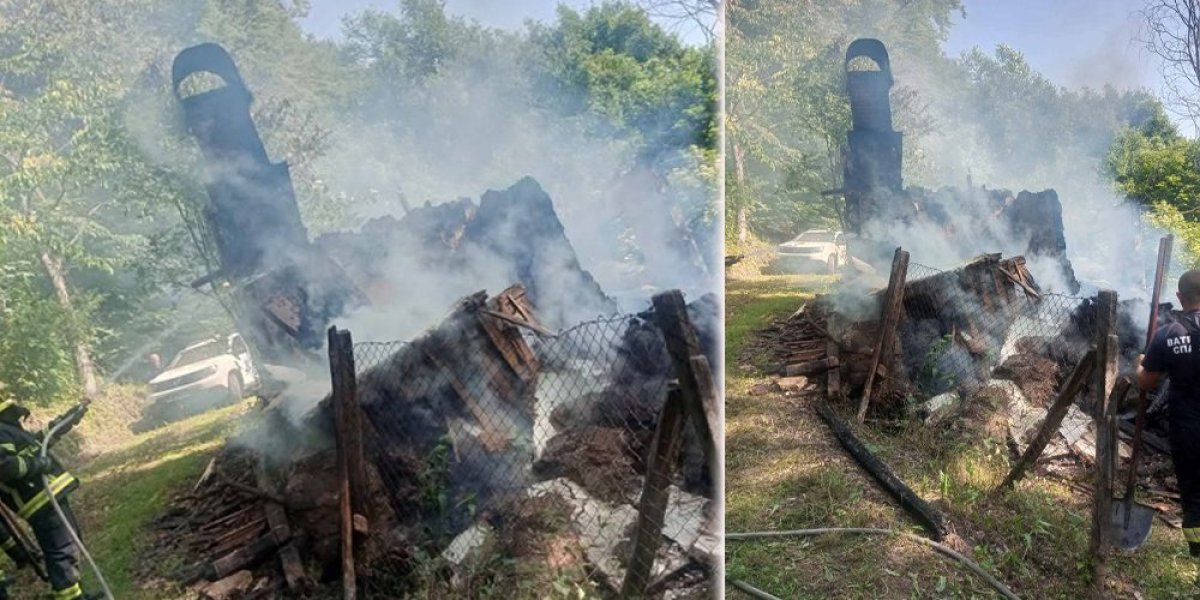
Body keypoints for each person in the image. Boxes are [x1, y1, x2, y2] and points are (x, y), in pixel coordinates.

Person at [0, 399, 92, 599]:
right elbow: (5, 467)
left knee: (71, 547)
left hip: (49, 496)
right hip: (38, 502)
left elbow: (39, 443)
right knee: (63, 552)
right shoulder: (1, 432)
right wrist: (38, 465)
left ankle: (77, 595)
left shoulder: (9, 430)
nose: (19, 417)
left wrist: (67, 419)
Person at [1138, 269, 1200, 560]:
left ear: (1179, 297)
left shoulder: (1169, 334)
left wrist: (1141, 363)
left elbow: (1146, 382)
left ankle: (1198, 552)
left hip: (1187, 430)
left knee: (1194, 494)